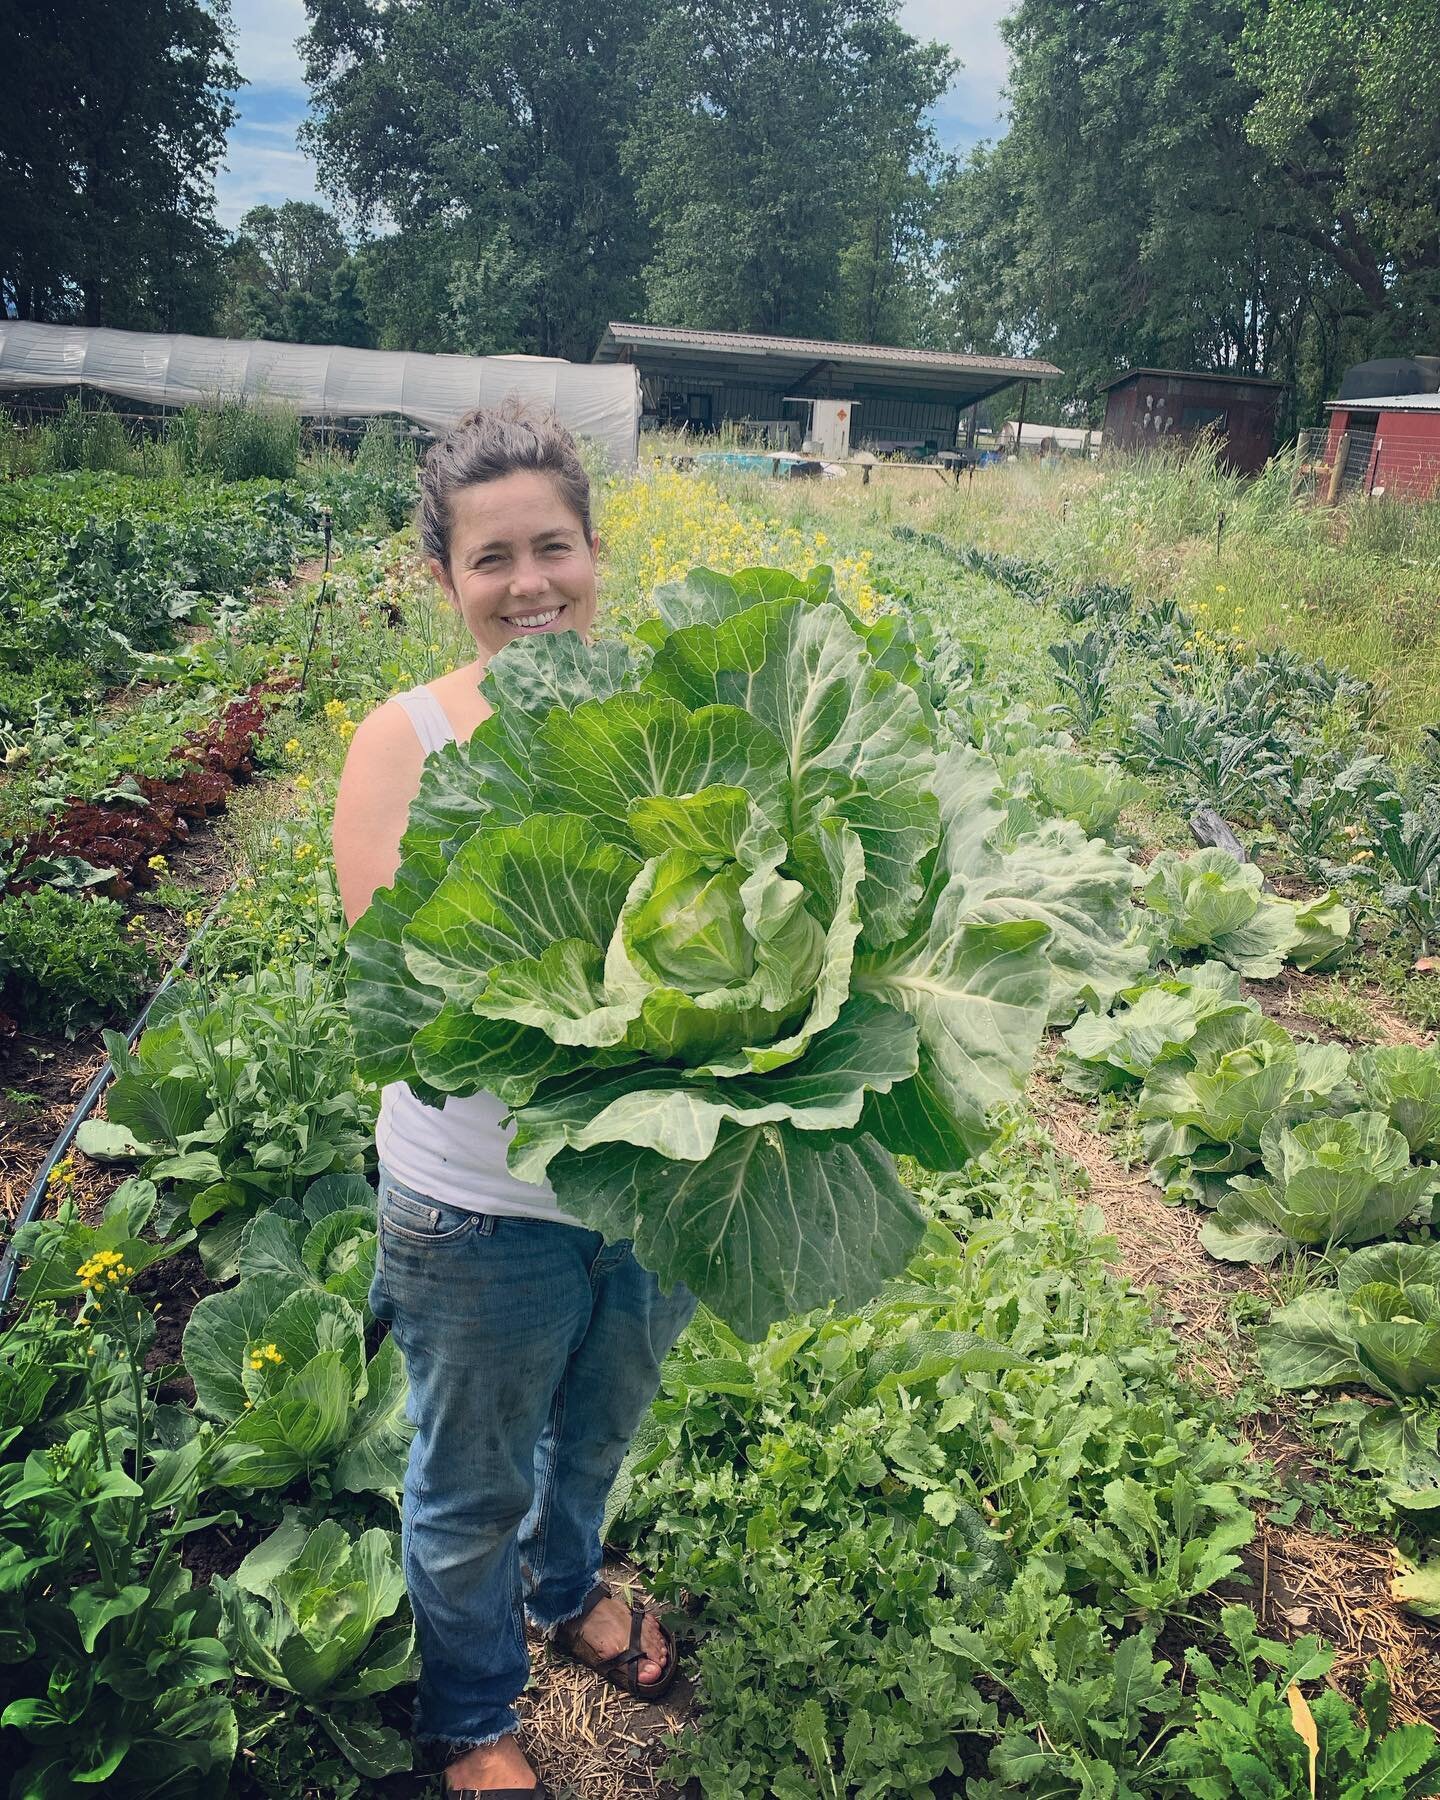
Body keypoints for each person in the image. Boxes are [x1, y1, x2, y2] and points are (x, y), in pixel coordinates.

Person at [331, 404, 700, 1800]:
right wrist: (615, 1008)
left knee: (599, 1431)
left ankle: (566, 1591)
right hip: (480, 1207)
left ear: (595, 554)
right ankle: (475, 1713)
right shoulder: (404, 739)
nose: (530, 583)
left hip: (659, 1176)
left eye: (554, 546)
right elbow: (405, 991)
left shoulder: (666, 716)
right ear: (447, 580)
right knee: (469, 1477)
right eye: (494, 558)